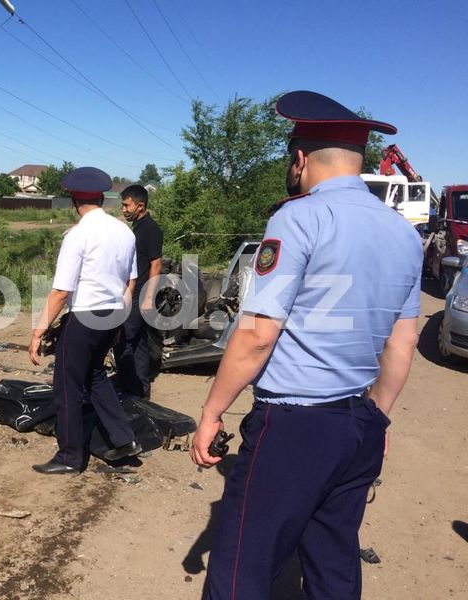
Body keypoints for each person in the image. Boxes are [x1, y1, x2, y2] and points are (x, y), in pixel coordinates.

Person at [190, 91, 423, 599]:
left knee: (241, 570)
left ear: (299, 159)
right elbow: (401, 345)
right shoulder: (404, 234)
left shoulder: (298, 219)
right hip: (357, 426)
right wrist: (376, 419)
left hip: (294, 426)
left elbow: (256, 335)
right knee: (332, 564)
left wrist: (212, 413)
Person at [28, 166, 143, 474]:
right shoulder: (125, 232)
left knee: (66, 384)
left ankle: (69, 457)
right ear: (102, 198)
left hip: (86, 317)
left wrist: (39, 330)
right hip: (113, 314)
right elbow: (130, 283)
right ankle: (124, 439)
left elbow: (61, 292)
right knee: (95, 375)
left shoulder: (78, 235)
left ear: (74, 200)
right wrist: (118, 320)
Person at [114, 184, 163, 399]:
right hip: (134, 294)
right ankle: (140, 392)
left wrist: (149, 297)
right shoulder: (138, 228)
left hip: (139, 296)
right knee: (139, 345)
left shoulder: (150, 229)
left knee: (123, 342)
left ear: (140, 206)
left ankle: (128, 389)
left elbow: (156, 264)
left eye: (127, 205)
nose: (124, 209)